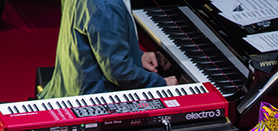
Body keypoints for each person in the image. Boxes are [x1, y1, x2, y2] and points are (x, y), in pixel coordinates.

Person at [38, 0, 177, 99]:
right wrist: (161, 83)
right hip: (92, 98)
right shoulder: (107, 5)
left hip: (67, 84)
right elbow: (120, 73)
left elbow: (92, 37)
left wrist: (136, 55)